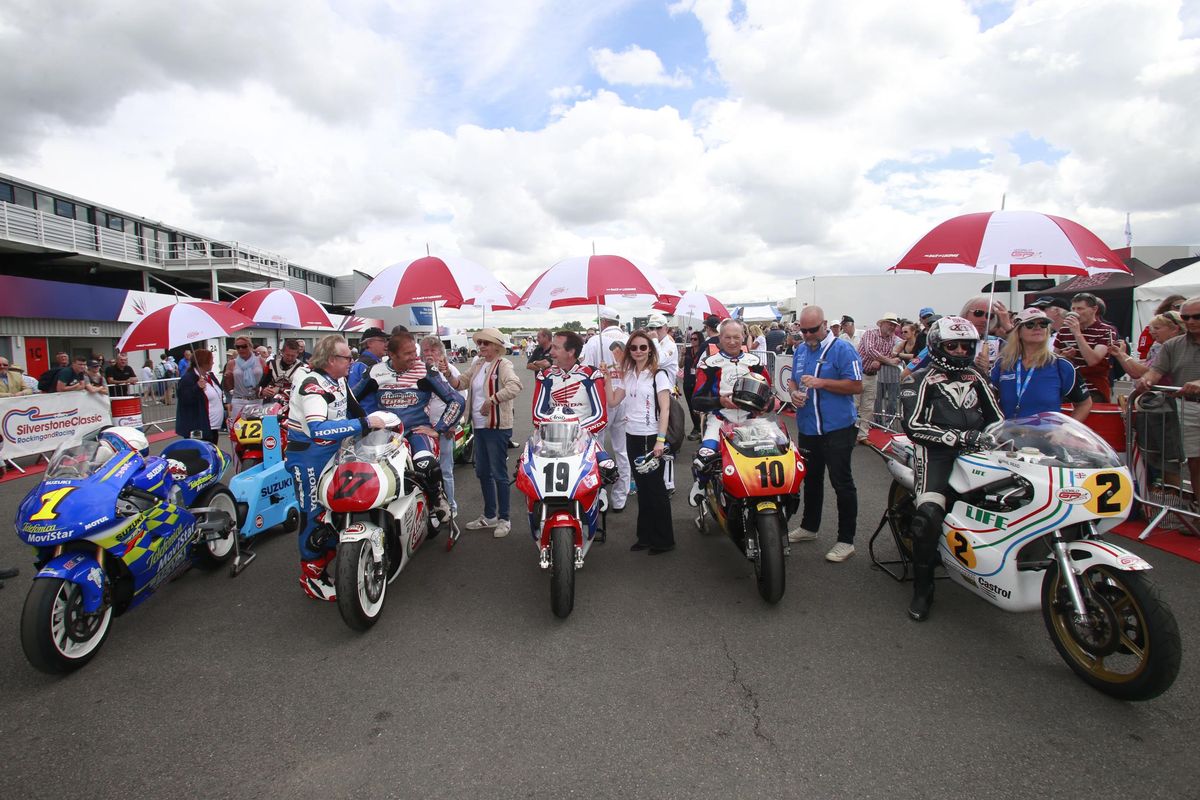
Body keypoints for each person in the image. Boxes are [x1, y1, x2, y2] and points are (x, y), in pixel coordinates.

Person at [899, 316, 1003, 622]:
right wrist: (958, 436)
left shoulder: (978, 377)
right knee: (929, 515)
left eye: (965, 346)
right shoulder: (918, 378)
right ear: (936, 345)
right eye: (952, 345)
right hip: (935, 453)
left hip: (978, 452)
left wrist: (1001, 438)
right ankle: (923, 589)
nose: (959, 351)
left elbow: (997, 417)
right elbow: (914, 426)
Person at [287, 335, 389, 600]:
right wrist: (364, 425)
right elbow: (317, 429)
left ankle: (340, 557)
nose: (351, 361)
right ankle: (311, 576)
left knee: (336, 506)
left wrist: (378, 425)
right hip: (309, 456)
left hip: (335, 451)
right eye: (347, 357)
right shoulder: (311, 385)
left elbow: (354, 409)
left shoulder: (339, 379)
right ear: (332, 359)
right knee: (313, 513)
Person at [355, 332, 464, 529]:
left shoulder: (426, 370)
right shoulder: (375, 371)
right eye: (408, 353)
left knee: (426, 465)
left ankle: (436, 499)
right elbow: (352, 399)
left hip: (416, 432)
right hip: (385, 435)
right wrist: (361, 423)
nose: (415, 356)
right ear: (392, 354)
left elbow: (457, 400)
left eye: (415, 351)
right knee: (364, 470)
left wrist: (439, 429)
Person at [785, 306, 863, 562]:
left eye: (812, 329)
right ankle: (810, 526)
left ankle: (846, 540)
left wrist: (822, 383)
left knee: (842, 482)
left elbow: (856, 385)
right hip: (809, 427)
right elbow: (793, 381)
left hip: (837, 427)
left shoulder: (843, 349)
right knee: (812, 479)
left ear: (825, 324)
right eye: (803, 330)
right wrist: (794, 392)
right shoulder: (800, 350)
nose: (807, 335)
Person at [689, 319, 772, 499]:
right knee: (704, 459)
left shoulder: (755, 362)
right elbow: (696, 401)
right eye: (728, 337)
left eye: (736, 337)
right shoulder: (709, 364)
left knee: (772, 455)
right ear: (720, 338)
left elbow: (770, 394)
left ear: (743, 337)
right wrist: (720, 402)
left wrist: (767, 405)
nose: (732, 341)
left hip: (750, 421)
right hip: (720, 420)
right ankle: (700, 484)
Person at [608, 330, 674, 554]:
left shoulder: (659, 375)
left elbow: (665, 409)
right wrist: (607, 379)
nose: (638, 351)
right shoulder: (627, 374)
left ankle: (664, 540)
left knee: (656, 489)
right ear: (629, 351)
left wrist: (660, 440)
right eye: (634, 348)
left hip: (652, 437)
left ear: (650, 350)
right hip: (632, 435)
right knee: (643, 490)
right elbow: (613, 401)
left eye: (643, 347)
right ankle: (645, 536)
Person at [1134, 296, 1200, 505]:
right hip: (1186, 407)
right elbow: (1156, 371)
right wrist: (1146, 381)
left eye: (1197, 316)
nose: (1190, 321)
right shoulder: (1173, 345)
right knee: (1195, 462)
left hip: (1187, 405)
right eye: (1186, 317)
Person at [460, 328, 522, 537]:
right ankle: (489, 515)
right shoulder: (477, 364)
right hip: (478, 425)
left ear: (497, 346)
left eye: (486, 343)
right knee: (482, 472)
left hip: (497, 427)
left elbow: (515, 386)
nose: (481, 347)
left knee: (498, 473)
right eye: (480, 343)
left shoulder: (504, 364)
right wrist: (446, 371)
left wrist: (492, 400)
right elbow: (460, 382)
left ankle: (504, 518)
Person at [991, 308, 1092, 420]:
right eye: (1030, 324)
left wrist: (1064, 432)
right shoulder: (1003, 363)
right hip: (1009, 435)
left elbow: (1084, 404)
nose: (1038, 327)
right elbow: (988, 400)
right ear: (1018, 331)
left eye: (1043, 324)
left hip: (1044, 436)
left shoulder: (1061, 365)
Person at [581, 307, 630, 512]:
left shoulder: (593, 341)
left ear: (603, 322)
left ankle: (600, 494)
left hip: (601, 399)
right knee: (622, 449)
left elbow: (585, 371)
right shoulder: (630, 339)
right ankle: (621, 495)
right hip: (626, 397)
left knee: (597, 448)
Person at [420, 335, 465, 519]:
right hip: (423, 428)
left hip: (445, 429)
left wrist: (452, 423)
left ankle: (451, 506)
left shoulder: (450, 371)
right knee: (425, 471)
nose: (429, 354)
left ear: (441, 353)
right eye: (425, 351)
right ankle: (430, 507)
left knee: (445, 470)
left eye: (433, 350)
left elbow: (462, 397)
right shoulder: (419, 370)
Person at [532, 330, 607, 435]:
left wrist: (573, 432)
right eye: (551, 347)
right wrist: (557, 432)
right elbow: (537, 414)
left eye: (556, 348)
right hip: (552, 440)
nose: (551, 352)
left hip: (584, 441)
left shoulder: (591, 375)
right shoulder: (545, 376)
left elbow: (600, 416)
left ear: (571, 352)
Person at [1058, 292, 1118, 402]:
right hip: (1067, 385)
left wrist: (1077, 333)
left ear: (1094, 309)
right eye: (1073, 308)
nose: (1075, 313)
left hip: (1093, 389)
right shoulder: (1064, 329)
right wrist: (1063, 357)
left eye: (1080, 309)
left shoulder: (1106, 330)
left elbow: (1093, 360)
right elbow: (1054, 358)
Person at [856, 312, 902, 432]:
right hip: (858, 374)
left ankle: (862, 434)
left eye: (894, 325)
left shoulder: (892, 339)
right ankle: (850, 433)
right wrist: (889, 361)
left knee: (868, 407)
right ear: (882, 324)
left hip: (872, 375)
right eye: (889, 324)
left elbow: (883, 355)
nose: (892, 327)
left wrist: (880, 361)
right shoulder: (870, 333)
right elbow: (870, 350)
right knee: (854, 405)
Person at [1116, 311, 1184, 379]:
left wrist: (1123, 354)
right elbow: (1134, 374)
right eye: (1152, 328)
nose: (1151, 332)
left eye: (1157, 328)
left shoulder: (1176, 348)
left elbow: (1144, 373)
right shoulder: (1157, 346)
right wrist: (1119, 355)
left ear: (1175, 329)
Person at [175, 349, 222, 442]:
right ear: (204, 362)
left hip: (213, 426)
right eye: (211, 360)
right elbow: (185, 399)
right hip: (199, 428)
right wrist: (197, 387)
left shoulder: (209, 376)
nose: (213, 362)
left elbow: (218, 394)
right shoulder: (188, 379)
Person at [224, 336, 266, 424]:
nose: (241, 349)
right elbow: (226, 385)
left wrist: (262, 389)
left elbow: (267, 378)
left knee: (259, 430)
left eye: (244, 346)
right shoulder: (232, 363)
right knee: (237, 430)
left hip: (256, 400)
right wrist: (228, 378)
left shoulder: (260, 361)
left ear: (250, 346)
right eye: (237, 347)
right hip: (239, 400)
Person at [348, 327, 388, 414]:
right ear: (369, 343)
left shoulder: (360, 362)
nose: (386, 344)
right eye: (382, 340)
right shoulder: (368, 365)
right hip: (370, 417)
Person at [1136, 295, 1185, 360]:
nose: (1182, 309)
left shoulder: (1192, 329)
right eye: (1178, 306)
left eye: (1184, 306)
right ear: (1167, 308)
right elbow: (1144, 356)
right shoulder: (1150, 330)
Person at [682, 330, 705, 439]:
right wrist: (682, 355)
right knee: (690, 406)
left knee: (699, 407)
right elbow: (680, 364)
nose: (692, 341)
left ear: (699, 339)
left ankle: (702, 428)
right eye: (691, 338)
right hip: (688, 381)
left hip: (698, 382)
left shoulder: (703, 350)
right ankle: (696, 427)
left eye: (695, 339)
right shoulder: (687, 350)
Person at [646, 313, 679, 386]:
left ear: (666, 329)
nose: (655, 331)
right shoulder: (649, 344)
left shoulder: (671, 345)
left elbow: (659, 361)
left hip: (667, 389)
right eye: (651, 328)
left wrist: (654, 339)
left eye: (658, 327)